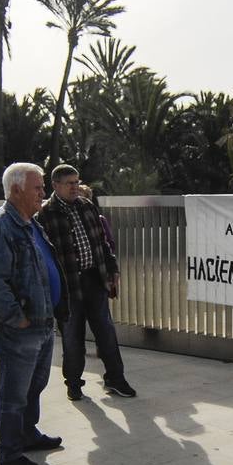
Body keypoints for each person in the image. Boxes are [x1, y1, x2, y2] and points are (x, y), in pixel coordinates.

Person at [0, 162, 66, 465]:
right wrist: (17, 318)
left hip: (42, 323)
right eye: (38, 188)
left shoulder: (31, 223)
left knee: (34, 386)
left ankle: (27, 434)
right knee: (13, 393)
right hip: (20, 327)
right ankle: (9, 452)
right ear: (15, 190)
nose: (43, 193)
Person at [36, 164, 136, 401]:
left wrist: (112, 269)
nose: (75, 187)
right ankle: (73, 383)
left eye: (77, 181)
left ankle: (115, 379)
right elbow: (43, 256)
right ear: (56, 185)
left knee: (106, 332)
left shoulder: (87, 206)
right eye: (69, 183)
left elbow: (102, 243)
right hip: (68, 286)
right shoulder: (45, 214)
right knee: (72, 338)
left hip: (94, 279)